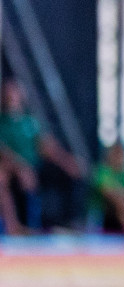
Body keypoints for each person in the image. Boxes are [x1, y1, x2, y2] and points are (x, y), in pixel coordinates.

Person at [0, 78, 84, 233]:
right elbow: (3, 152)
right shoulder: (2, 122)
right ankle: (14, 227)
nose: (11, 95)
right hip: (12, 167)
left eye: (15, 92)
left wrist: (66, 161)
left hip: (34, 165)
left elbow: (46, 146)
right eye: (8, 92)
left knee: (73, 168)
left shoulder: (31, 121)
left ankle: (69, 223)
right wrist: (20, 167)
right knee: (2, 176)